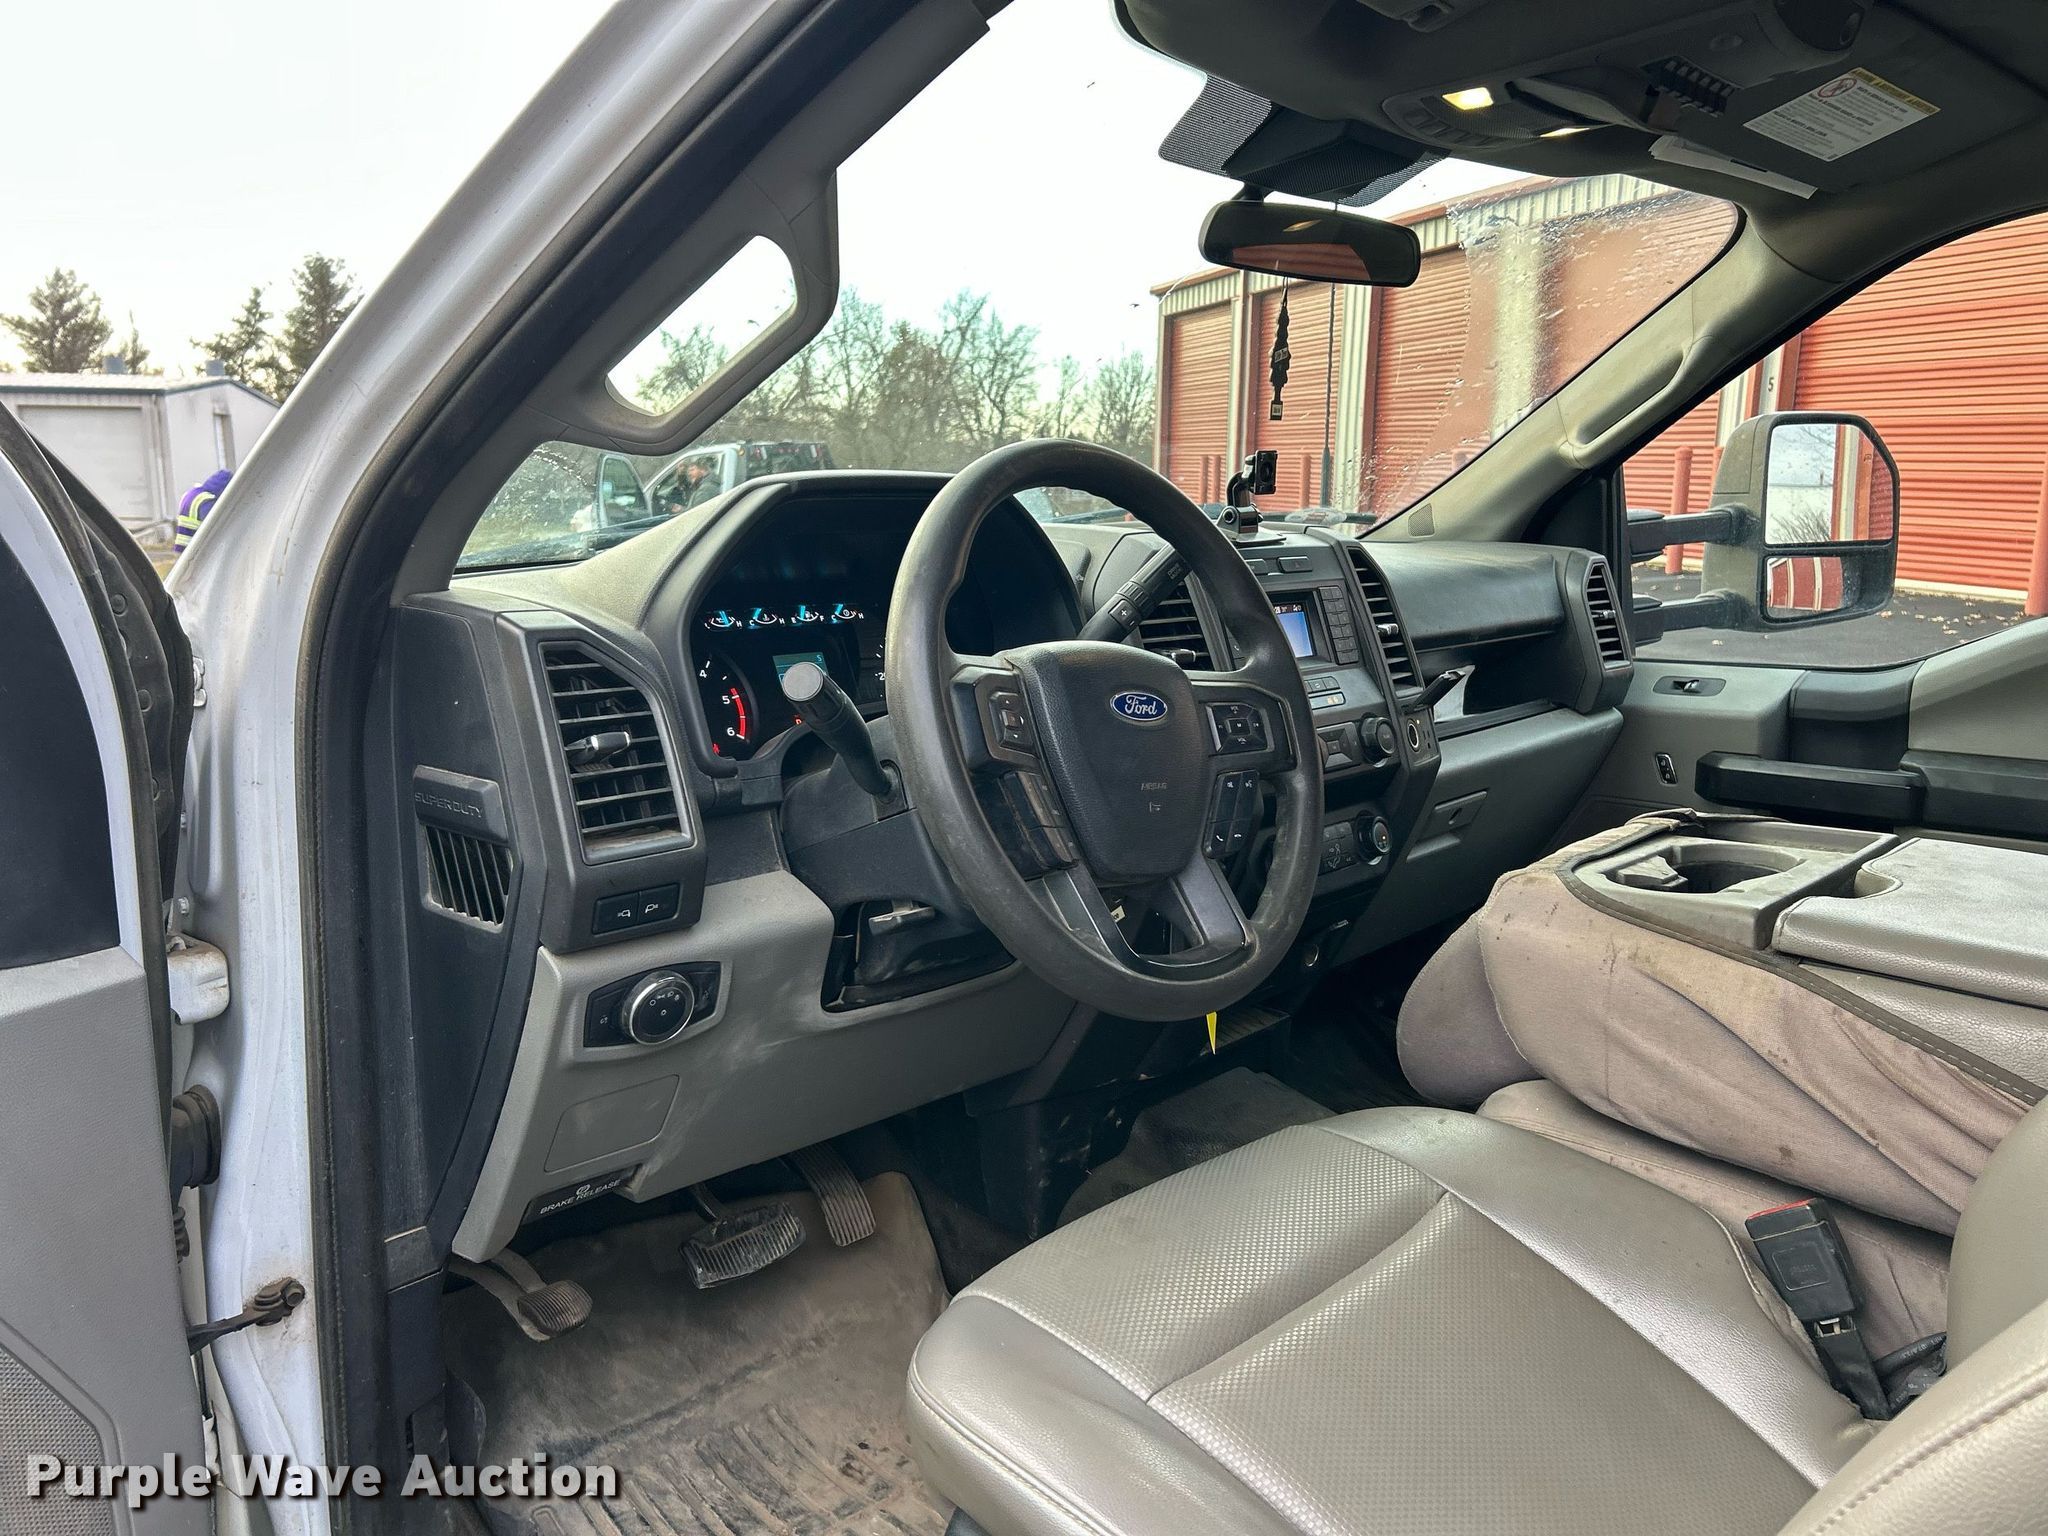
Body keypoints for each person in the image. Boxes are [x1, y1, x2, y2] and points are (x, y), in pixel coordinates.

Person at [175, 468, 233, 555]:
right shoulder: (207, 500)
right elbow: (213, 525)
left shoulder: (191, 493)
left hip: (182, 544)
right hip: (196, 549)